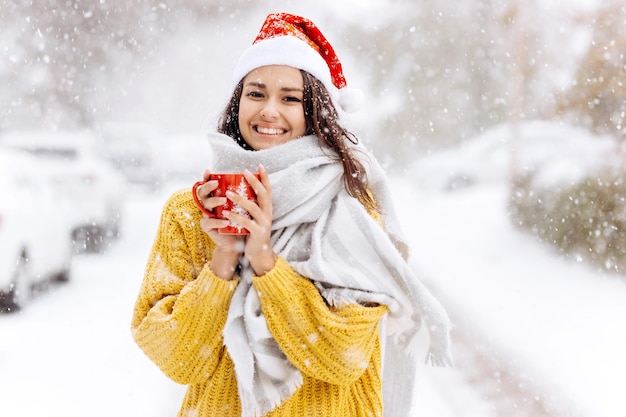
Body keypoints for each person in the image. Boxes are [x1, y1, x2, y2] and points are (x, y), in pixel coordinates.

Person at [131, 12, 452, 417]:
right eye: (256, 93)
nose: (269, 111)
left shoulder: (350, 208)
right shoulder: (192, 212)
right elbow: (177, 358)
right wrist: (223, 262)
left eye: (290, 98)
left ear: (314, 111)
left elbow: (343, 356)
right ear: (237, 102)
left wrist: (266, 262)